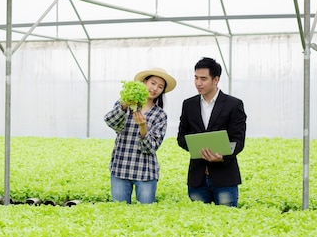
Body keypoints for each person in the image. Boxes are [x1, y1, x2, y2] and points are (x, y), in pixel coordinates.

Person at [177, 57, 247, 207]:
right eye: (196, 78)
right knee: (199, 224)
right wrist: (197, 147)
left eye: (203, 79)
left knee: (226, 223)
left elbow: (238, 140)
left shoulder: (233, 105)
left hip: (225, 178)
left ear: (216, 80)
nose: (198, 83)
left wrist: (222, 157)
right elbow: (181, 137)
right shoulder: (189, 105)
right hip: (197, 179)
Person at [104, 67, 177, 204]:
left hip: (145, 171)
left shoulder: (160, 115)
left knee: (146, 215)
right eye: (153, 83)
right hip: (120, 166)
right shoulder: (125, 104)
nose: (155, 89)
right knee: (120, 214)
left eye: (160, 87)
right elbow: (110, 122)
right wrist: (124, 104)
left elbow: (150, 148)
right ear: (144, 82)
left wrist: (143, 127)